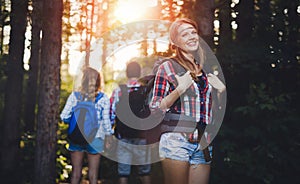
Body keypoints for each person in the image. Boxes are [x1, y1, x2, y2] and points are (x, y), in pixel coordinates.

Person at [149, 18, 226, 184]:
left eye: (193, 32)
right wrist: (179, 90)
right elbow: (155, 109)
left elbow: (211, 114)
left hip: (203, 142)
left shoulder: (204, 70)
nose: (192, 36)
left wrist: (221, 92)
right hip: (176, 140)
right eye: (185, 34)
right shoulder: (168, 67)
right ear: (175, 41)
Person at [60, 67, 112, 184]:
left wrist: (75, 122)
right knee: (93, 175)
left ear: (83, 81)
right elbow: (106, 121)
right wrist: (108, 136)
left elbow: (63, 116)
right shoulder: (103, 98)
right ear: (98, 81)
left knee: (76, 173)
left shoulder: (75, 96)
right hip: (95, 138)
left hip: (76, 136)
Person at [110, 61, 151, 184]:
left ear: (127, 73)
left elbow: (111, 112)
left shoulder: (119, 90)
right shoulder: (145, 90)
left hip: (123, 135)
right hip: (142, 136)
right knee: (145, 172)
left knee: (123, 172)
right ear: (140, 73)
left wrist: (112, 130)